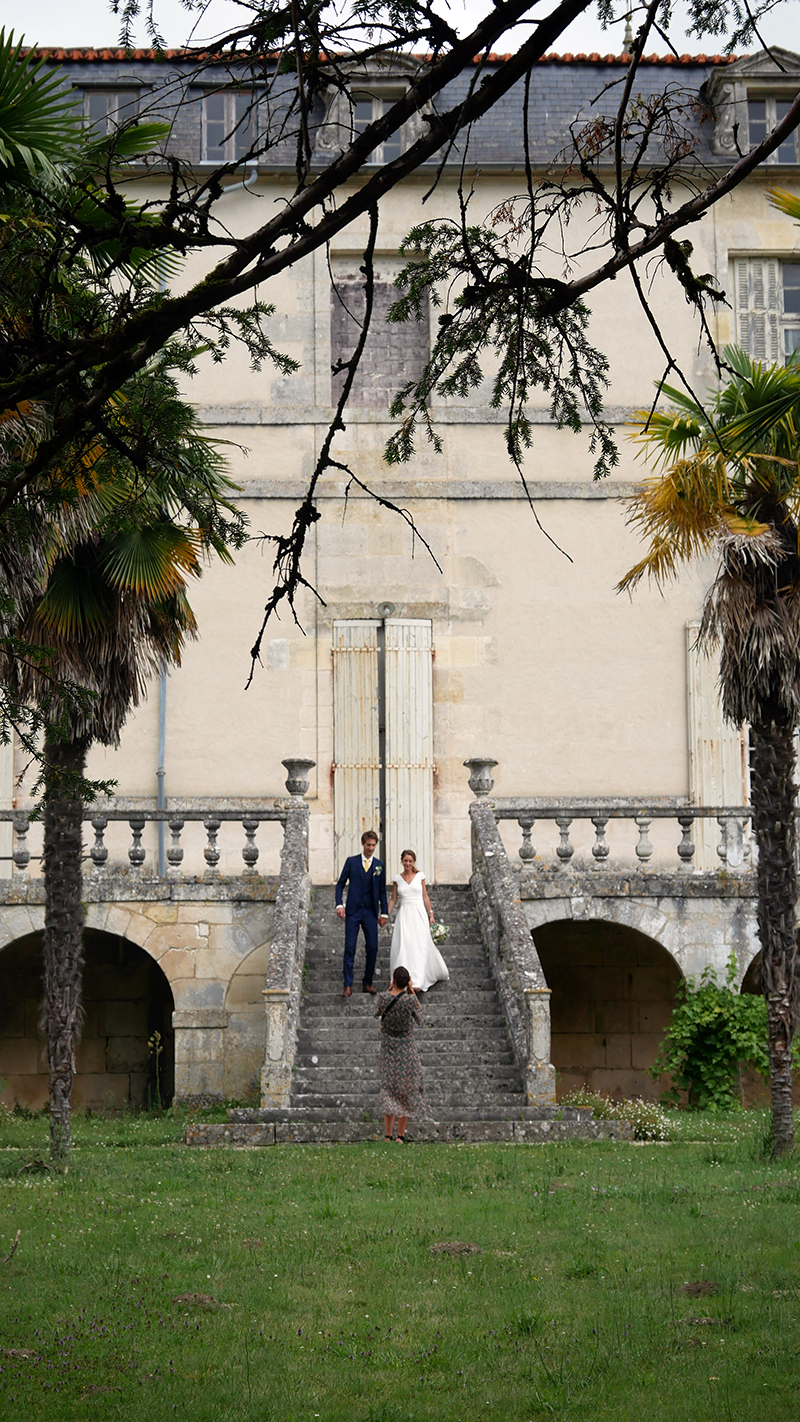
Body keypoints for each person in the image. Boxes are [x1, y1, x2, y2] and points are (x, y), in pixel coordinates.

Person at [386, 850, 449, 993]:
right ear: (402, 861)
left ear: (413, 862)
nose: (407, 863)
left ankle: (419, 980)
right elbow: (394, 899)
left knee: (420, 945)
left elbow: (425, 896)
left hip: (419, 913)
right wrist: (385, 915)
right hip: (405, 914)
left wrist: (430, 914)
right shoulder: (397, 879)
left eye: (410, 861)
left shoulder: (420, 876)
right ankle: (405, 979)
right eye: (405, 861)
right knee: (406, 945)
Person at [335, 830, 388, 998]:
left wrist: (384, 913)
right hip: (353, 911)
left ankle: (367, 982)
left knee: (372, 947)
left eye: (373, 845)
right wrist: (339, 904)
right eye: (368, 845)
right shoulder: (351, 862)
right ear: (362, 843)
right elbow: (340, 884)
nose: (371, 848)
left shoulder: (379, 865)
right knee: (350, 947)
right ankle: (348, 985)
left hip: (370, 912)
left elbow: (381, 891)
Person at [375, 965, 424, 1142]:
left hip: (388, 1049)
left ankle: (387, 1134)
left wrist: (389, 990)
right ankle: (400, 1136)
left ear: (394, 980)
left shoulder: (383, 998)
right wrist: (412, 991)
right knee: (405, 1092)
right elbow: (420, 1018)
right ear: (407, 981)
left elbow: (377, 1013)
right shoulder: (410, 1001)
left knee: (389, 1090)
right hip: (407, 1050)